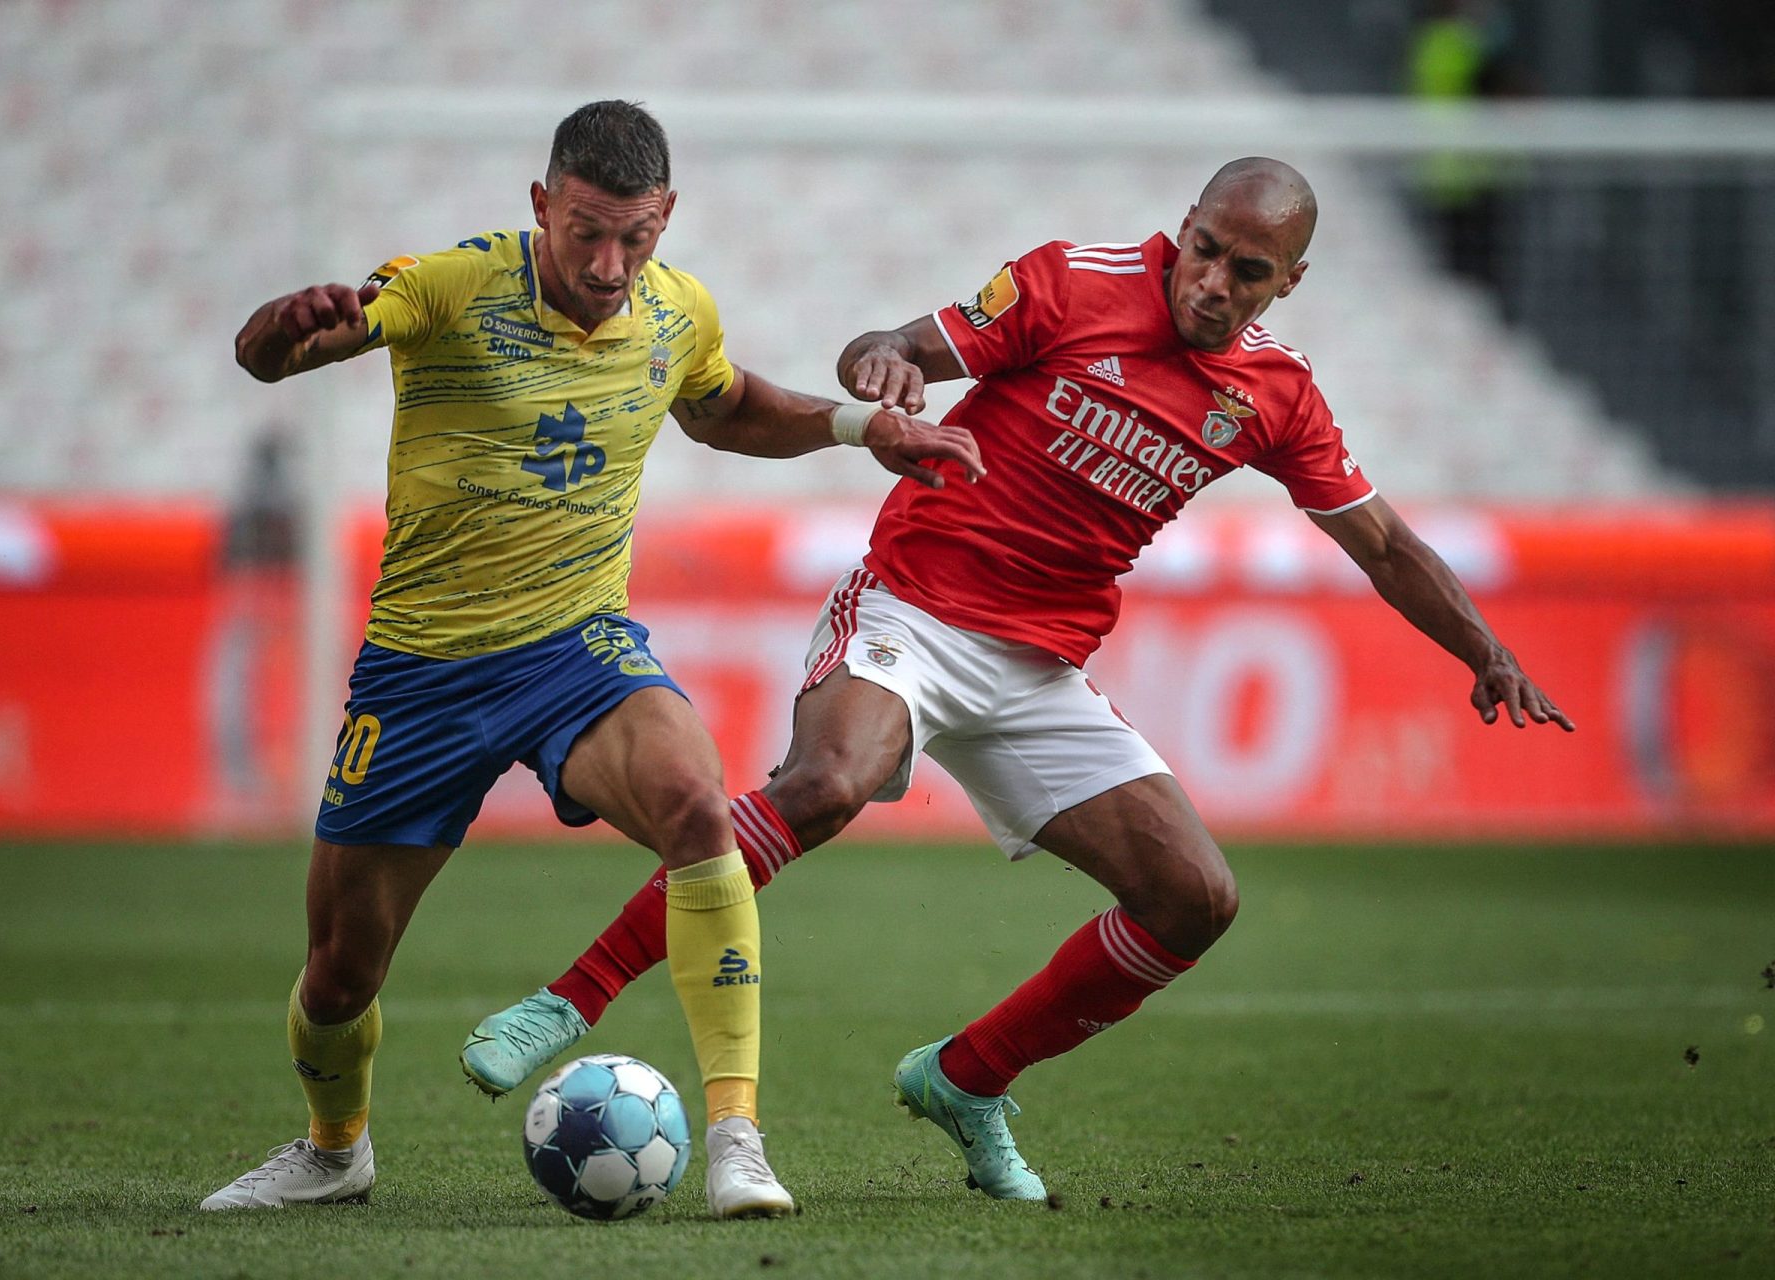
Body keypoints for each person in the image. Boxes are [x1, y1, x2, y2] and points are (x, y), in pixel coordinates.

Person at [460, 157, 1574, 1202]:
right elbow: (884, 344)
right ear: (1181, 231)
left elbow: (1380, 542)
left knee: (1197, 898)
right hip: (913, 604)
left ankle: (969, 1074)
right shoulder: (1072, 283)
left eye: (1248, 270)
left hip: (1040, 665)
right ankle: (569, 997)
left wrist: (1486, 650)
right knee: (830, 783)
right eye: (1204, 248)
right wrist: (886, 367)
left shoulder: (1275, 395)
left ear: (1289, 282)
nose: (1213, 282)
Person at [198, 100, 983, 1218]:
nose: (612, 264)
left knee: (701, 811)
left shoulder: (675, 312)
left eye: (637, 237)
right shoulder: (449, 284)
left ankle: (737, 1138)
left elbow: (724, 407)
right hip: (421, 671)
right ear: (541, 207)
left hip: (577, 648)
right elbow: (284, 356)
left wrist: (862, 431)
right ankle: (335, 1148)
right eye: (587, 233)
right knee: (338, 972)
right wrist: (287, 327)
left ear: (665, 217)